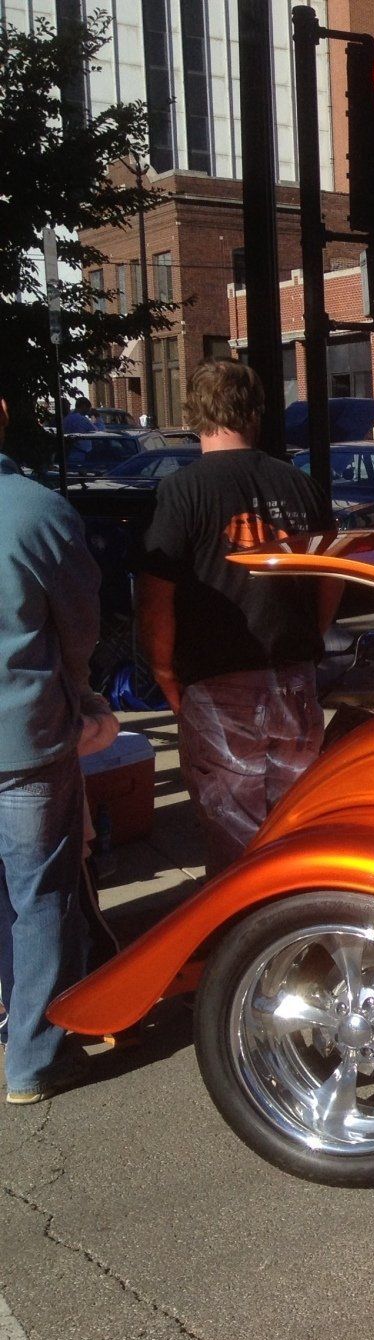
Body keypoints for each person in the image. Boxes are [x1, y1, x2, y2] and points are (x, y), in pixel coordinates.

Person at [134, 362, 340, 873]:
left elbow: (155, 596)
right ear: (255, 412)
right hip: (294, 679)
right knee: (291, 824)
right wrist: (311, 633)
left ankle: (241, 942)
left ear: (195, 414)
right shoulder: (300, 485)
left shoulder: (181, 492)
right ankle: (289, 933)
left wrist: (163, 672)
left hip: (218, 684)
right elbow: (333, 574)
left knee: (233, 835)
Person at [0, 396, 102, 1104]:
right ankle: (30, 1060)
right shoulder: (37, 512)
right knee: (39, 896)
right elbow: (80, 626)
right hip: (25, 738)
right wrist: (81, 694)